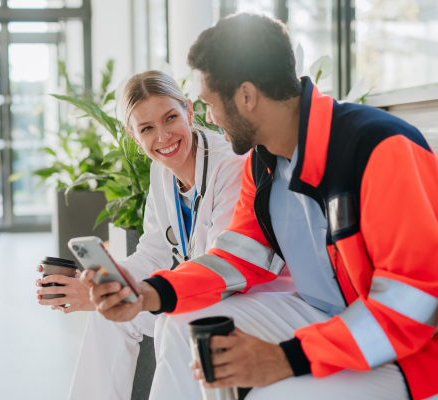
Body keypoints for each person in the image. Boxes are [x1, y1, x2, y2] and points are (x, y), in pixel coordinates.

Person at [81, 13, 438, 400]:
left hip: (406, 349)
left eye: (210, 104)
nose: (210, 118)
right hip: (322, 314)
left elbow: (411, 303)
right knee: (184, 325)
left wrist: (284, 359)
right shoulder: (262, 162)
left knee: (270, 395)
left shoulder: (380, 146)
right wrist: (149, 292)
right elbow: (235, 258)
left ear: (246, 97)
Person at [36, 70, 260, 400]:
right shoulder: (161, 172)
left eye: (170, 118)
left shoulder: (230, 165)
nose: (164, 137)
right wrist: (103, 286)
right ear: (132, 134)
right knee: (109, 317)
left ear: (189, 110)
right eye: (147, 129)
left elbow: (220, 266)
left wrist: (139, 293)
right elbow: (153, 253)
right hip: (187, 289)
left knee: (174, 323)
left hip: (235, 293)